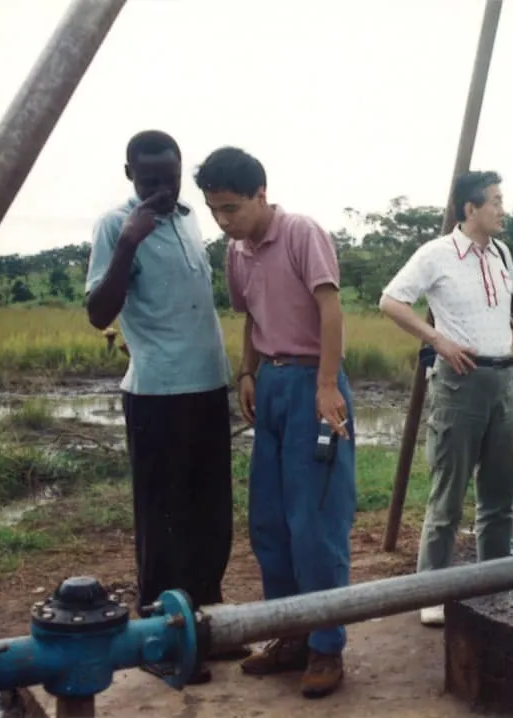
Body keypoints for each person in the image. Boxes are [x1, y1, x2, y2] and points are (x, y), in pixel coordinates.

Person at [193, 146, 355, 699]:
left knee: (315, 524)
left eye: (231, 208)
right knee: (270, 521)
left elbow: (330, 310)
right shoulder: (236, 251)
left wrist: (327, 386)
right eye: (214, 210)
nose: (223, 220)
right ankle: (289, 636)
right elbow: (251, 318)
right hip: (272, 387)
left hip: (315, 384)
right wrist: (247, 372)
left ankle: (326, 648)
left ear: (261, 193)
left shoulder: (301, 233)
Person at [84, 130, 243, 684]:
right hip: (156, 395)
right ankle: (156, 639)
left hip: (206, 389)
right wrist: (129, 242)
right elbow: (98, 314)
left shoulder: (190, 218)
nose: (158, 189)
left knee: (210, 518)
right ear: (129, 174)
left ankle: (205, 629)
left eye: (168, 178)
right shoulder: (115, 224)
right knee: (163, 523)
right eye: (148, 179)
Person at [378, 170, 513, 627]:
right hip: (459, 383)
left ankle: (494, 583)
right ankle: (432, 591)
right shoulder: (436, 254)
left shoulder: (501, 251)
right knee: (447, 498)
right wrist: (437, 340)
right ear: (471, 209)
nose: (503, 209)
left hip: (502, 382)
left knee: (499, 495)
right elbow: (391, 300)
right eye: (496, 201)